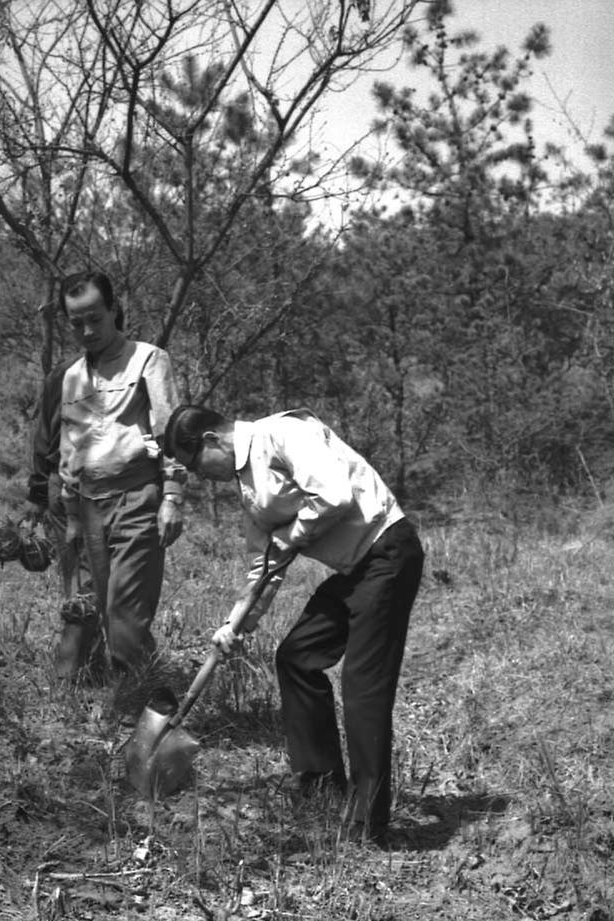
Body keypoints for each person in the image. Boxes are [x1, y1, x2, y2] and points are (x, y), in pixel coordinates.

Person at [162, 404, 425, 843]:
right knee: (297, 657)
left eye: (195, 465)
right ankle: (321, 787)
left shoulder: (281, 434)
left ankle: (367, 822)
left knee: (362, 689)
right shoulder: (247, 486)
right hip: (356, 571)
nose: (201, 476)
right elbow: (264, 565)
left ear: (211, 440)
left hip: (387, 555)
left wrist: (290, 537)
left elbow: (333, 495)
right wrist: (234, 625)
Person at [57, 271, 185, 679]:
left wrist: (172, 496)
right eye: (77, 323)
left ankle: (146, 707)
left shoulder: (148, 358)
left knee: (126, 619)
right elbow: (69, 447)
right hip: (89, 505)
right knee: (89, 607)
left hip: (136, 501)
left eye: (95, 318)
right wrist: (72, 513)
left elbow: (172, 433)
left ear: (114, 310)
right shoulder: (73, 376)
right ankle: (95, 693)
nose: (87, 330)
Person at [23, 353, 100, 679]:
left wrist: (38, 492)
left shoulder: (61, 371)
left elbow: (42, 434)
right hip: (75, 485)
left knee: (80, 580)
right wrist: (39, 493)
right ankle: (76, 668)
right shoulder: (77, 374)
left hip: (67, 481)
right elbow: (45, 433)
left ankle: (82, 664)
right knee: (87, 581)